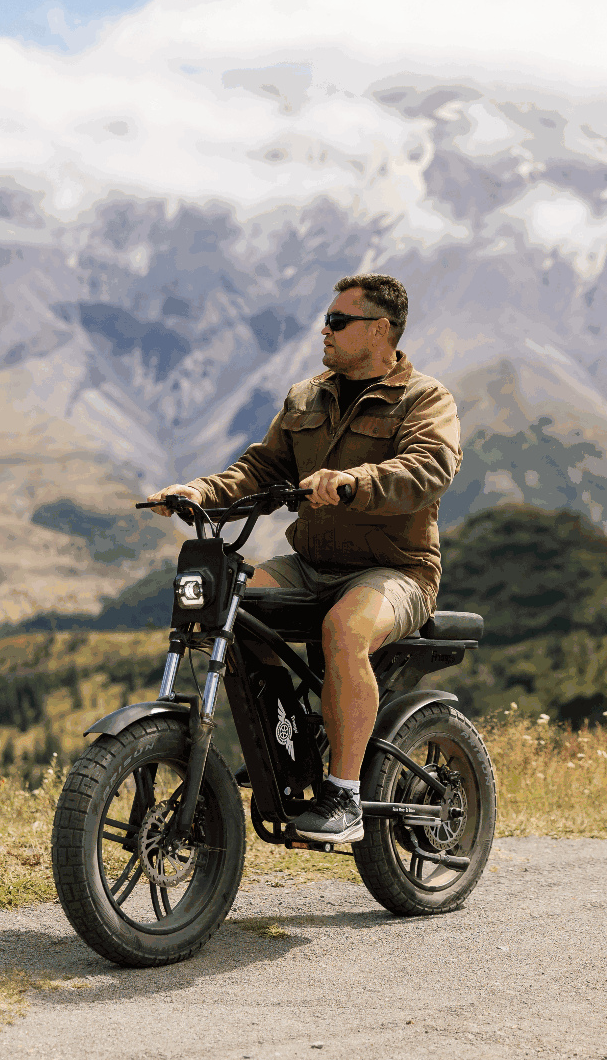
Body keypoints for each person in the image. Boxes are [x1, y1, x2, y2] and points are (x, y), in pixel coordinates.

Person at [148, 274, 462, 843]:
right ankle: (285, 745)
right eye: (328, 319)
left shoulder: (426, 399)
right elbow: (261, 469)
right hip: (312, 563)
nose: (326, 329)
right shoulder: (305, 398)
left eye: (340, 321)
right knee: (229, 611)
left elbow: (428, 469)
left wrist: (352, 482)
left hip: (395, 570)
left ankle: (343, 795)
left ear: (380, 330)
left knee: (344, 629)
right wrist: (200, 491)